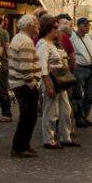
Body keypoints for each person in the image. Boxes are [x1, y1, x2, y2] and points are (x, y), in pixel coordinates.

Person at [37, 21, 78, 149]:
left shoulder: (52, 44)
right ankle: (48, 139)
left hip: (59, 81)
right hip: (51, 80)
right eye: (55, 27)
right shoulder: (43, 45)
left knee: (66, 109)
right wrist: (48, 85)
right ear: (48, 29)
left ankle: (66, 137)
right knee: (51, 110)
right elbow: (42, 67)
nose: (57, 30)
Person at [6, 14, 41, 157]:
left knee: (27, 116)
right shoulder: (26, 42)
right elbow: (26, 66)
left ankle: (23, 145)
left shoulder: (17, 38)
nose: (38, 26)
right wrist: (32, 83)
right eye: (36, 24)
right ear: (29, 26)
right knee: (28, 116)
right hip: (24, 84)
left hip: (18, 82)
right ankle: (20, 146)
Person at [68, 17, 92, 129]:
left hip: (90, 69)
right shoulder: (72, 37)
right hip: (79, 68)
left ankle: (85, 116)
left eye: (88, 25)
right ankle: (79, 118)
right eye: (85, 25)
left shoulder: (89, 36)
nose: (88, 27)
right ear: (79, 26)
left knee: (89, 95)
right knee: (78, 94)